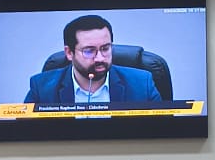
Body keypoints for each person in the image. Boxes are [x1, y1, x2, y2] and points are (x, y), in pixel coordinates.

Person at [23, 15, 164, 109]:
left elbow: (160, 131)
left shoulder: (142, 84)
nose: (100, 58)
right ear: (69, 53)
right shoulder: (41, 88)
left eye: (105, 48)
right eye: (89, 51)